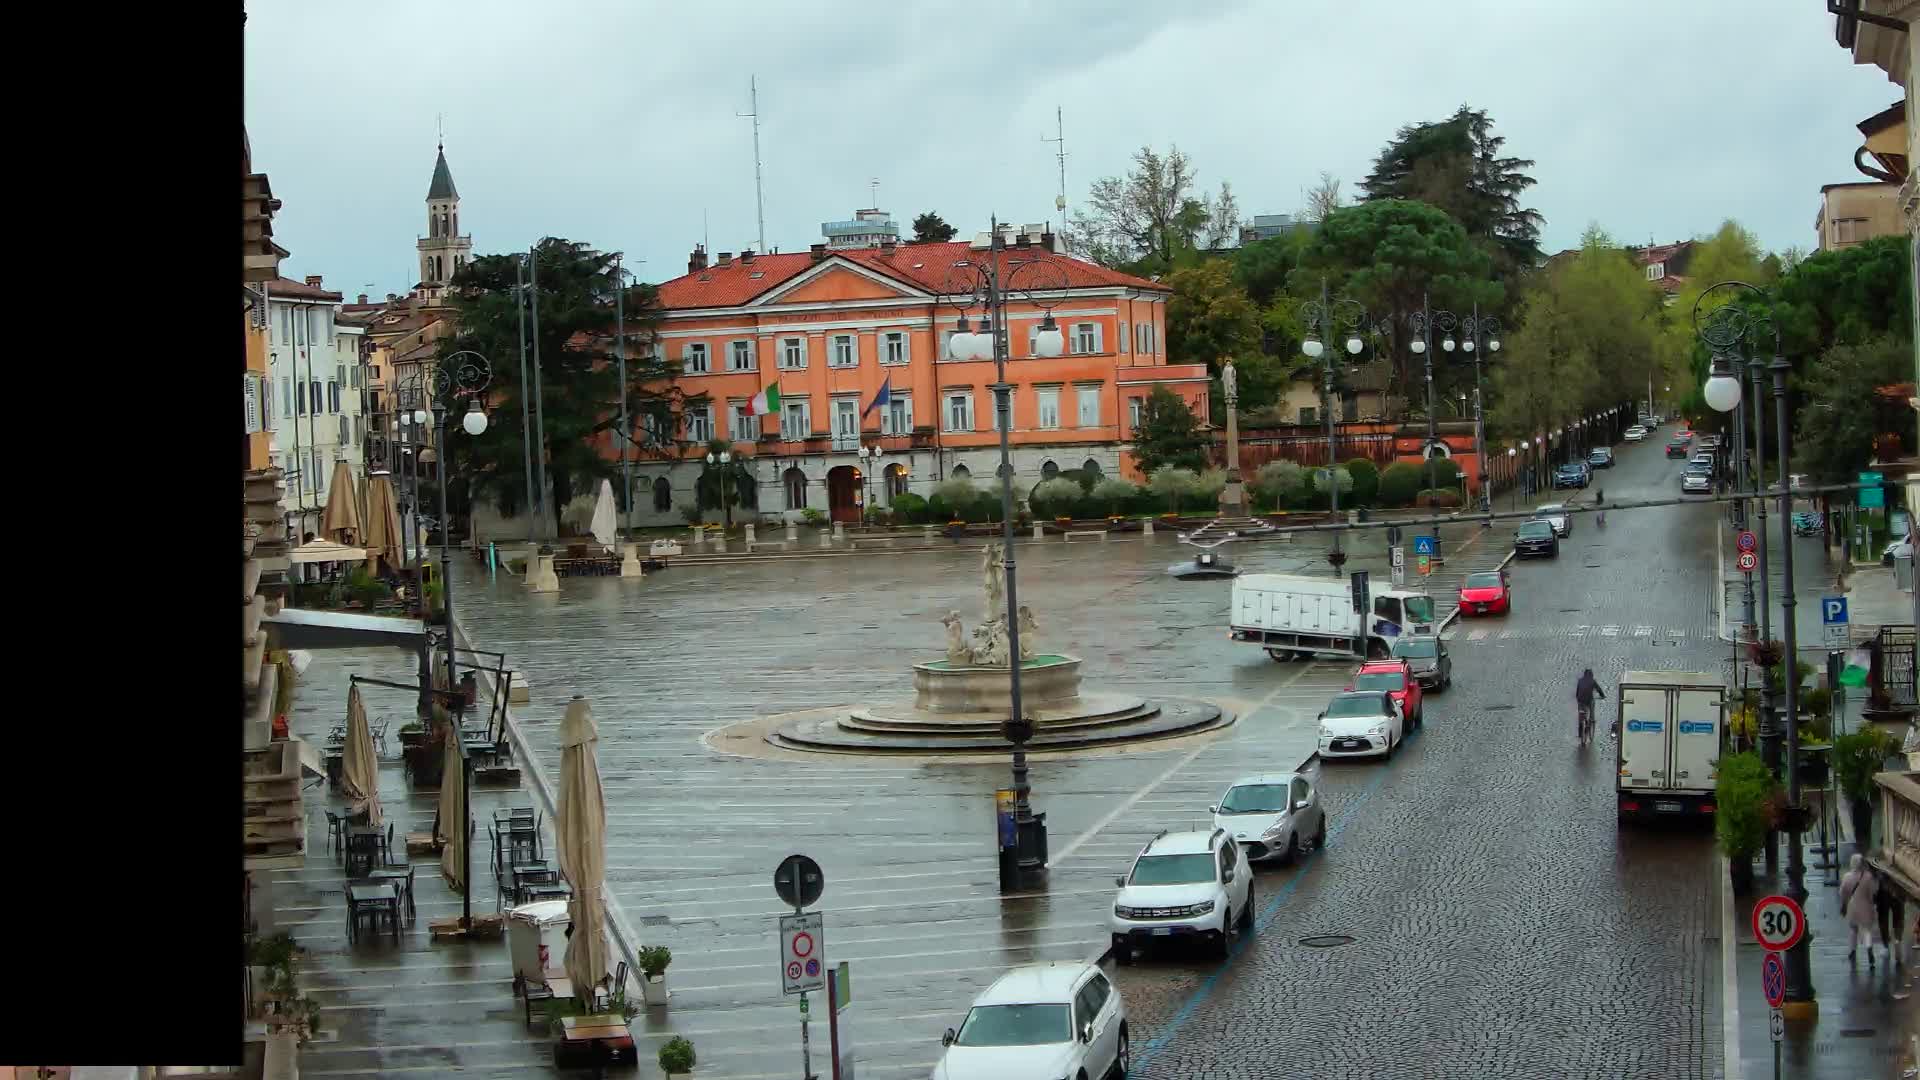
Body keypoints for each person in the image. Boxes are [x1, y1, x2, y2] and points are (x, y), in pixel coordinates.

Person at [1839, 854, 1881, 965]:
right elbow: (1873, 891)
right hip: (1866, 906)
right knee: (1867, 931)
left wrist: (1843, 905)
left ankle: (1853, 951)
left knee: (1853, 929)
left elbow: (1843, 893)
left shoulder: (1847, 877)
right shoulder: (1868, 876)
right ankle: (1869, 950)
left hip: (1852, 907)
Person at [1873, 863, 1906, 970]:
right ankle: (1898, 941)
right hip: (1898, 890)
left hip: (1883, 892)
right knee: (1899, 918)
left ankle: (1886, 946)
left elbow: (1875, 874)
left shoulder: (1880, 856)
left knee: (1883, 919)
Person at [1575, 668, 1605, 740]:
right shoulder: (1593, 681)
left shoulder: (1580, 680)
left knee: (1581, 714)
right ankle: (1591, 720)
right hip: (1589, 700)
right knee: (1591, 707)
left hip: (1580, 700)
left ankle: (1580, 733)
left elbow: (1577, 692)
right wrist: (1602, 696)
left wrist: (1578, 699)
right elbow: (1599, 689)